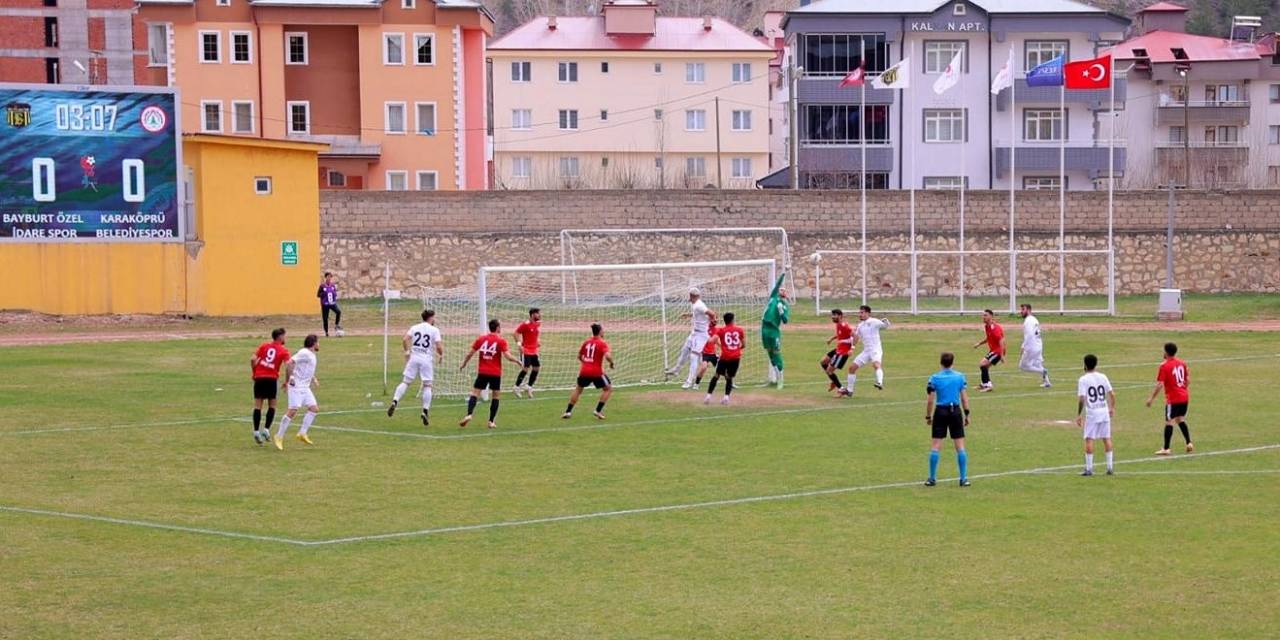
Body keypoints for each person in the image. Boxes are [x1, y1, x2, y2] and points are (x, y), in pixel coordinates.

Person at [458, 319, 522, 429]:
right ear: (497, 328)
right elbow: (507, 356)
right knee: (496, 396)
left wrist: (463, 364)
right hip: (495, 373)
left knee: (475, 393)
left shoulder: (481, 339)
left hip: (483, 372)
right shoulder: (501, 341)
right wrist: (517, 361)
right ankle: (491, 421)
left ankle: (469, 414)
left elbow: (470, 353)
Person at [388, 309, 444, 427]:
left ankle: (395, 400)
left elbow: (405, 339)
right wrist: (441, 354)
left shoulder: (415, 327)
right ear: (430, 318)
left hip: (414, 358)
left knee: (406, 382)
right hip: (426, 360)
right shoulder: (434, 330)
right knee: (427, 385)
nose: (434, 319)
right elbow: (439, 346)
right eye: (433, 317)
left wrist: (407, 351)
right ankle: (425, 411)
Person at [925, 352, 971, 487]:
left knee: (936, 446)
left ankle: (932, 478)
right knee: (960, 447)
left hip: (940, 411)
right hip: (955, 411)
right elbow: (964, 397)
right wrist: (967, 413)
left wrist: (928, 416)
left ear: (941, 363)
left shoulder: (934, 378)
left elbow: (930, 400)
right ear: (952, 363)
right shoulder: (959, 377)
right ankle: (963, 478)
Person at [274, 334, 321, 450]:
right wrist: (288, 380)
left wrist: (313, 378)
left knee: (314, 409)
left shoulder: (311, 354)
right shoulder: (304, 352)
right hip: (296, 386)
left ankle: (302, 433)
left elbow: (304, 367)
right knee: (292, 411)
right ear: (313, 343)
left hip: (305, 387)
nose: (319, 344)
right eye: (318, 342)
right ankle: (279, 436)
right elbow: (290, 363)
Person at [1146, 342, 1193, 456]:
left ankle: (1166, 448)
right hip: (1184, 396)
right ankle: (1189, 442)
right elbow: (1188, 380)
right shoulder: (1182, 363)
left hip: (1173, 399)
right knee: (1180, 419)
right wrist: (1182, 388)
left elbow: (1160, 384)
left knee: (1169, 421)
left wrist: (1151, 398)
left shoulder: (1164, 366)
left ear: (1166, 352)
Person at [664, 288, 716, 390]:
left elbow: (712, 313)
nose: (689, 298)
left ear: (692, 296)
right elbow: (699, 314)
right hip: (694, 333)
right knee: (684, 350)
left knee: (693, 357)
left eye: (690, 296)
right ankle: (677, 370)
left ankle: (689, 381)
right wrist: (688, 315)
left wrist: (713, 320)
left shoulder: (699, 305)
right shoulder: (696, 305)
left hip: (701, 336)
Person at [563, 323, 615, 420]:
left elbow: (579, 356)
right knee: (608, 389)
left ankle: (568, 411)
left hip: (584, 371)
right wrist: (611, 363)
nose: (603, 331)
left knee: (578, 390)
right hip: (596, 372)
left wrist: (586, 363)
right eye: (602, 330)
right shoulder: (602, 343)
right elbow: (607, 356)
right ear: (599, 331)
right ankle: (598, 410)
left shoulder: (586, 342)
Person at [1076, 354, 1116, 476]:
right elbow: (1112, 394)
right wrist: (1112, 408)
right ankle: (1110, 468)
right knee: (1106, 438)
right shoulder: (1103, 376)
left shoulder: (1083, 380)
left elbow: (1082, 398)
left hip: (1092, 413)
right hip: (1103, 411)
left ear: (1085, 365)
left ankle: (1089, 469)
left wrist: (1078, 414)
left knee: (1089, 439)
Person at [250, 328, 290, 445]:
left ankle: (256, 431)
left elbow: (252, 359)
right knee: (272, 404)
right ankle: (266, 429)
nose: (285, 338)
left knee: (258, 405)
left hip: (259, 378)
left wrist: (254, 372)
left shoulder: (264, 346)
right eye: (284, 336)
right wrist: (287, 381)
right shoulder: (283, 351)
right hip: (271, 379)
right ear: (280, 337)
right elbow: (289, 366)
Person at [846, 305, 889, 396]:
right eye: (860, 312)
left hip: (875, 349)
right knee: (852, 368)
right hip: (866, 351)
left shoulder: (874, 321)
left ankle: (879, 382)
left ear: (868, 313)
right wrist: (852, 348)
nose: (860, 314)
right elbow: (856, 337)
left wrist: (886, 321)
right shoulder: (860, 325)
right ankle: (849, 390)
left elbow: (885, 326)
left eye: (862, 312)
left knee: (876, 365)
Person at [705, 312, 745, 406]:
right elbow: (744, 345)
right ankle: (726, 397)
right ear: (732, 320)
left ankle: (708, 396)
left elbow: (711, 341)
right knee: (729, 377)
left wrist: (704, 334)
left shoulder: (721, 330)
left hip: (725, 357)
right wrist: (735, 349)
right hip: (735, 357)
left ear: (725, 321)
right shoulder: (739, 330)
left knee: (716, 375)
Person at [761, 272, 791, 389]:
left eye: (784, 290)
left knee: (776, 354)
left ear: (786, 294)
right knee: (770, 353)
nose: (782, 290)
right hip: (764, 328)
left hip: (774, 330)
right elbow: (777, 286)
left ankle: (781, 380)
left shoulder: (784, 305)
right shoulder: (773, 297)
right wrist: (782, 275)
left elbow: (785, 320)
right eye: (781, 289)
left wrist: (781, 312)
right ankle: (775, 378)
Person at [821, 309, 855, 397]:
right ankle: (833, 380)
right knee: (823, 362)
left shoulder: (844, 325)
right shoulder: (838, 325)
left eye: (834, 315)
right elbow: (840, 335)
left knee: (829, 370)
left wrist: (851, 348)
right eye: (832, 315)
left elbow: (854, 335)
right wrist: (831, 339)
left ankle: (841, 389)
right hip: (838, 349)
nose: (832, 317)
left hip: (843, 352)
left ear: (840, 316)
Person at [972, 309, 1006, 392]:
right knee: (984, 366)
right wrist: (979, 344)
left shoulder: (995, 328)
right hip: (993, 350)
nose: (983, 317)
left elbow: (1001, 341)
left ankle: (989, 385)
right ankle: (984, 384)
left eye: (985, 315)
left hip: (998, 351)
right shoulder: (987, 326)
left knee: (982, 364)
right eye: (983, 315)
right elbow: (989, 338)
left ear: (991, 316)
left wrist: (1001, 355)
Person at [1018, 303, 1051, 388]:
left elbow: (1029, 335)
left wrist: (1023, 346)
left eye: (1023, 309)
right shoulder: (1034, 319)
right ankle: (1047, 382)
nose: (1021, 312)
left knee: (1023, 366)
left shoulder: (1028, 320)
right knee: (1037, 363)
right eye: (1021, 309)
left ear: (1028, 310)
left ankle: (1043, 371)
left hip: (1031, 347)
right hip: (1038, 345)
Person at [513, 308, 542, 398]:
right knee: (525, 369)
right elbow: (515, 333)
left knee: (536, 367)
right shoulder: (525, 324)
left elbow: (534, 335)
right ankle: (516, 387)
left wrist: (537, 341)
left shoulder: (537, 324)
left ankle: (529, 386)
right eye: (538, 314)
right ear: (532, 314)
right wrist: (519, 345)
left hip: (534, 350)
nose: (540, 315)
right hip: (526, 350)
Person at [694, 317, 719, 388]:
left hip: (713, 354)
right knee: (703, 368)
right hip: (705, 354)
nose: (716, 320)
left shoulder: (716, 330)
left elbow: (716, 341)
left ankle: (730, 383)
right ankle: (696, 384)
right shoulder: (704, 328)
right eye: (714, 319)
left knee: (725, 366)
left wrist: (722, 347)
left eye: (717, 318)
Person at [317, 273, 342, 337]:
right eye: (328, 277)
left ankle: (336, 325)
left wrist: (334, 297)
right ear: (325, 277)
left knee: (338, 312)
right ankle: (326, 332)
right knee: (325, 318)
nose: (329, 278)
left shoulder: (332, 285)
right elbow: (318, 295)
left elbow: (334, 293)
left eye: (330, 277)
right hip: (325, 304)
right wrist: (324, 294)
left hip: (332, 303)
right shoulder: (322, 286)